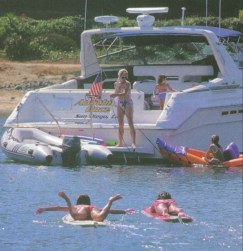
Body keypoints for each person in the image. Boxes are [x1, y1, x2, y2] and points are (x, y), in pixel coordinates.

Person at [36, 191, 135, 222]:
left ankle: (67, 200)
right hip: (92, 210)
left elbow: (58, 208)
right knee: (100, 217)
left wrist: (44, 209)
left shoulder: (77, 206)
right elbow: (110, 211)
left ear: (78, 202)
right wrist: (124, 211)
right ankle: (110, 201)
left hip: (81, 212)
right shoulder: (91, 206)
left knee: (76, 216)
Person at [110, 69, 136, 148]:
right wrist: (118, 86)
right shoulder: (116, 84)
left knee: (130, 122)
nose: (124, 78)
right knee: (120, 123)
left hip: (127, 103)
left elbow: (124, 93)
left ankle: (133, 143)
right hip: (120, 103)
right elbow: (116, 92)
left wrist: (115, 94)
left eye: (125, 77)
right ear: (119, 76)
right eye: (123, 77)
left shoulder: (128, 84)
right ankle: (120, 142)